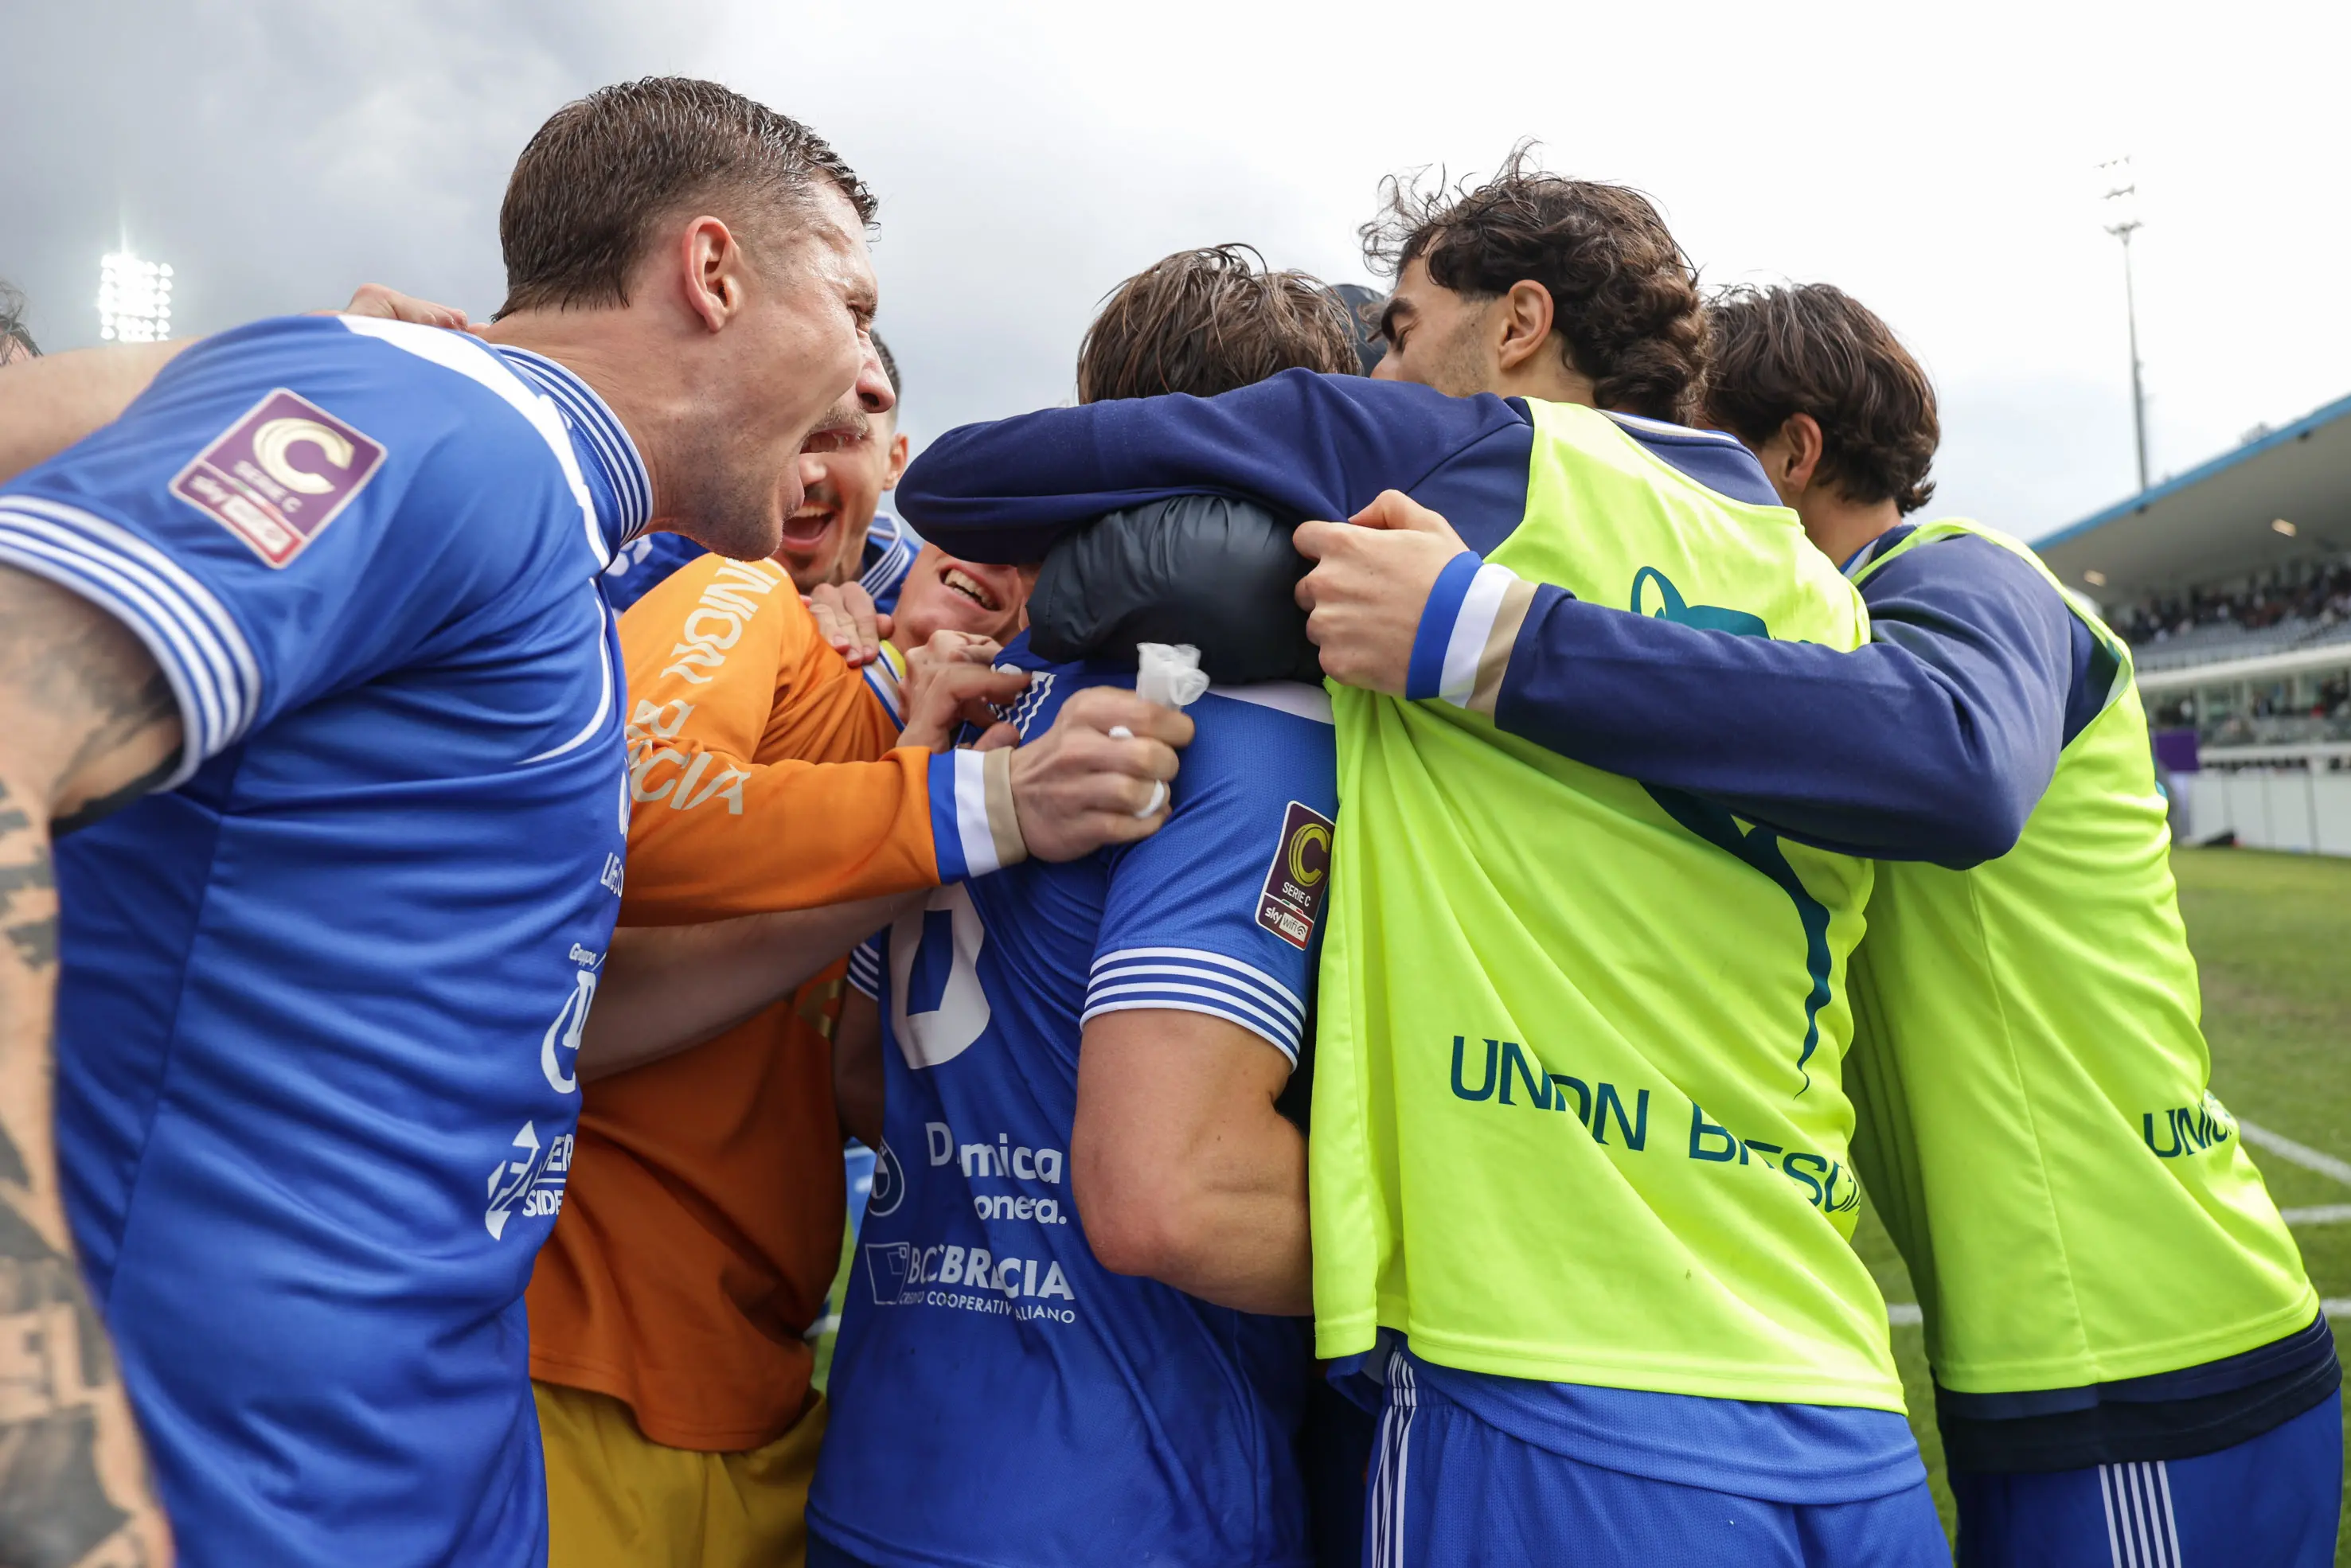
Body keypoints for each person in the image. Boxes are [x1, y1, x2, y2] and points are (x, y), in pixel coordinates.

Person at [0, 78, 1182, 1568]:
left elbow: (560, 1013)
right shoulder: (457, 430)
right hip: (209, 1494)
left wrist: (968, 827)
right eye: (851, 302)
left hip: (437, 1473)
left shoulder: (553, 547)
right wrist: (43, 1460)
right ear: (713, 271)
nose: (859, 375)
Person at [890, 158, 1952, 1566]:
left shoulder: (1452, 455)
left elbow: (964, 481)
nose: (1377, 359)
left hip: (1552, 1391)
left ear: (1515, 324)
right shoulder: (1819, 590)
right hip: (1823, 1384)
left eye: (1395, 325)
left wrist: (1245, 456)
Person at [1313, 283, 2341, 1566]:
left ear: (1794, 454)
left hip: (2143, 1349)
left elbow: (1953, 762)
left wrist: (1488, 635)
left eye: (1695, 445)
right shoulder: (1789, 653)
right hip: (2047, 1360)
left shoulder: (1965, 572)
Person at [805, 244, 1363, 1568]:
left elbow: (859, 1079)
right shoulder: (1245, 732)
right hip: (1116, 1501)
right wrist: (1490, 1242)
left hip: (886, 1468)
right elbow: (1171, 1200)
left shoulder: (997, 716)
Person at [528, 356, 1045, 1566]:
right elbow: (632, 844)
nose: (814, 472)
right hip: (593, 1365)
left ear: (896, 467)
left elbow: (858, 1083)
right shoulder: (737, 592)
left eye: (1034, 584)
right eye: (794, 428)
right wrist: (942, 811)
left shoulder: (894, 729)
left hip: (766, 1389)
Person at [603, 329, 923, 615]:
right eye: (776, 427)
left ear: (894, 462)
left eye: (845, 437)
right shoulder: (618, 571)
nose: (807, 471)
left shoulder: (941, 611)